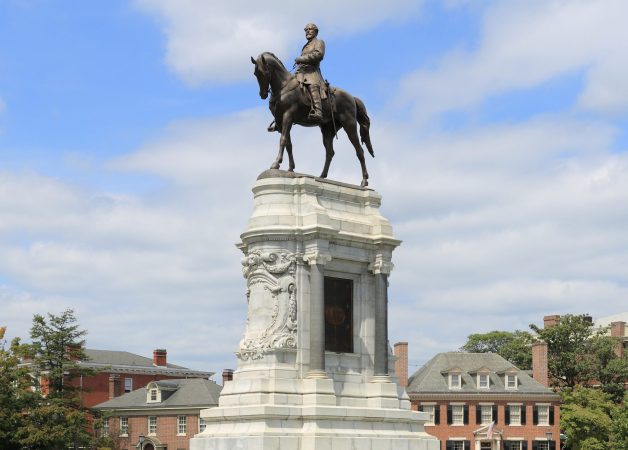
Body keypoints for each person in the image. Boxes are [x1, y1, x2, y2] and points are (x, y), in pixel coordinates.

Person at [295, 23, 325, 121]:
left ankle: (318, 111)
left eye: (310, 29)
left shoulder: (319, 42)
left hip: (312, 72)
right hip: (302, 73)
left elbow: (318, 55)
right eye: (306, 30)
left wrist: (302, 59)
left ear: (315, 31)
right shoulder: (305, 46)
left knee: (312, 86)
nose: (307, 31)